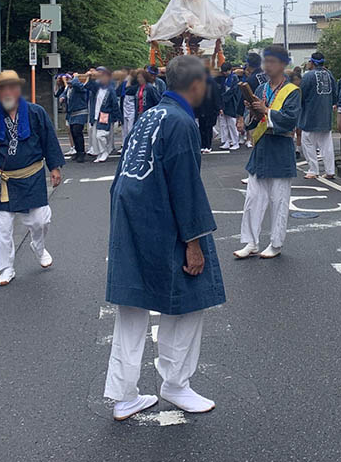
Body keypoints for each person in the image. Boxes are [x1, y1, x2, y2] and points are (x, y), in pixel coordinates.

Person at [103, 55, 225, 421]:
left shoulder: (150, 115)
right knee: (190, 295)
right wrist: (194, 242)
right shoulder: (182, 122)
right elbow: (186, 186)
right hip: (163, 221)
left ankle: (125, 395)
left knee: (131, 306)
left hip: (130, 218)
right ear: (197, 85)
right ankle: (176, 383)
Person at [0, 70, 64, 286]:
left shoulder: (35, 112)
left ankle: (38, 247)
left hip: (32, 175)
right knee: (2, 226)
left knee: (40, 219)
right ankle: (6, 268)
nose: (8, 92)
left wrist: (54, 167)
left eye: (12, 87)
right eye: (3, 89)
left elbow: (49, 139)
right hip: (5, 180)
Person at [236, 44, 301, 260]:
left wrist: (267, 111)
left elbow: (291, 120)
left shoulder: (292, 91)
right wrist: (253, 112)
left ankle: (276, 243)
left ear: (283, 64)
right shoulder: (262, 89)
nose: (267, 66)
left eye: (272, 61)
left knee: (279, 200)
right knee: (253, 198)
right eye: (266, 61)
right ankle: (251, 242)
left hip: (280, 149)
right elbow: (254, 122)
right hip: (261, 148)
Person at [298, 52, 338, 180]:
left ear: (312, 62)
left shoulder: (308, 76)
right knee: (326, 144)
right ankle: (330, 170)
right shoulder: (329, 75)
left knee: (308, 142)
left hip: (310, 115)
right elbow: (335, 95)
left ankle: (313, 170)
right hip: (326, 115)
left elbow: (301, 96)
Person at [88, 67, 121, 163]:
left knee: (100, 135)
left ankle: (104, 151)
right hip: (96, 115)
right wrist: (90, 77)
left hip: (104, 114)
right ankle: (100, 153)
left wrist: (117, 117)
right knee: (95, 136)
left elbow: (115, 103)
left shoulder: (110, 89)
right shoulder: (97, 88)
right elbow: (89, 86)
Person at [62, 73, 90, 162]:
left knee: (77, 131)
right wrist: (62, 97)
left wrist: (76, 77)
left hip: (80, 112)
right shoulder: (69, 89)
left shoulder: (79, 88)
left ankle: (81, 152)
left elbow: (77, 84)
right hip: (71, 113)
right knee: (73, 133)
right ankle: (78, 152)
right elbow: (63, 94)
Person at [216, 63, 243, 151]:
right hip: (225, 102)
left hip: (231, 102)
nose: (224, 73)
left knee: (231, 123)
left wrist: (223, 98)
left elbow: (233, 91)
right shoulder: (226, 78)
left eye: (225, 71)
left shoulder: (234, 78)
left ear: (229, 70)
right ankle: (226, 141)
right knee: (224, 124)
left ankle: (235, 142)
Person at [196, 67, 221, 154]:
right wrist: (218, 107)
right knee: (207, 128)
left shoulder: (206, 82)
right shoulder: (210, 82)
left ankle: (205, 145)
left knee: (204, 127)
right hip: (208, 108)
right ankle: (206, 145)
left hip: (203, 108)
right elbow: (216, 96)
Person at [120, 70, 139, 145]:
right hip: (126, 106)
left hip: (132, 107)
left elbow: (128, 90)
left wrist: (129, 81)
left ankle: (129, 144)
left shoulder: (136, 86)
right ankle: (125, 144)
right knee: (125, 128)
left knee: (130, 127)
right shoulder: (126, 83)